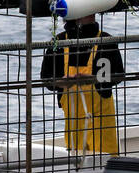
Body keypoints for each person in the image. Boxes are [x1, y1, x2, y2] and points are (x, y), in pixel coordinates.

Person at [40, 14, 124, 154]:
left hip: (101, 119)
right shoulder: (58, 43)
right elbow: (46, 79)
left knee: (105, 158)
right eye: (86, 12)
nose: (91, 15)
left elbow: (118, 75)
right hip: (73, 119)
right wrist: (62, 83)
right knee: (76, 160)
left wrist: (93, 79)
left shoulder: (106, 40)